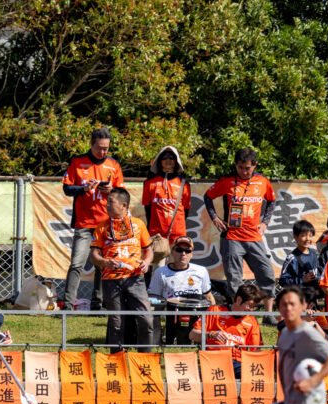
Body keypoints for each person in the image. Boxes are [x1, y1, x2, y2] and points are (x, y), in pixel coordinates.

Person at [60, 127, 124, 309]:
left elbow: (122, 194)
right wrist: (84, 189)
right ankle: (68, 305)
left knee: (102, 265)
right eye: (99, 148)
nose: (103, 152)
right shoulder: (77, 162)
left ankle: (98, 303)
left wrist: (112, 190)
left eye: (106, 148)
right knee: (76, 264)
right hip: (84, 224)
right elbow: (66, 188)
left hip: (106, 224)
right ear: (91, 144)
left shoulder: (113, 164)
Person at [204, 148, 278, 299]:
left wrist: (265, 222)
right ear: (235, 164)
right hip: (232, 238)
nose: (244, 172)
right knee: (234, 280)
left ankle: (269, 311)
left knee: (267, 275)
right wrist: (215, 218)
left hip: (254, 237)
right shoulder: (227, 180)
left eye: (248, 168)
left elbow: (272, 201)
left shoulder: (262, 181)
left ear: (255, 165)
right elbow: (208, 196)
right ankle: (238, 310)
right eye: (240, 167)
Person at [91, 188, 155, 350]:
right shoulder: (102, 227)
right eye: (107, 202)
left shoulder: (139, 224)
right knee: (117, 323)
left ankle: (145, 357)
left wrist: (146, 262)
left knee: (146, 319)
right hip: (111, 280)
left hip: (135, 279)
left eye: (111, 202)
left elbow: (149, 250)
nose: (106, 205)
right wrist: (104, 262)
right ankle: (116, 358)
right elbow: (93, 255)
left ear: (124, 205)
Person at [148, 236, 214, 346]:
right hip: (171, 315)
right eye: (179, 250)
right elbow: (153, 298)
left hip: (196, 315)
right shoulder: (161, 272)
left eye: (187, 251)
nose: (183, 254)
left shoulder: (201, 271)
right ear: (172, 252)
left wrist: (214, 316)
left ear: (191, 254)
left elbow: (208, 296)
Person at [190, 284, 268, 366]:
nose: (251, 310)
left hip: (238, 363)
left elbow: (255, 350)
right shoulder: (215, 311)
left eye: (254, 307)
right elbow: (192, 335)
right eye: (250, 306)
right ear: (239, 300)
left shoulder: (252, 321)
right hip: (214, 359)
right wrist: (210, 334)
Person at [141, 145, 190, 266]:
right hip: (157, 235)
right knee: (158, 269)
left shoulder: (184, 184)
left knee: (177, 268)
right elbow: (147, 208)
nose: (168, 160)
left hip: (178, 234)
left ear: (176, 161)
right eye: (165, 157)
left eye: (172, 157)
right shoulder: (149, 183)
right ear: (159, 161)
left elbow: (186, 210)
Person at [278, 219, 323, 305]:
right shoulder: (292, 258)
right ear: (295, 237)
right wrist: (302, 280)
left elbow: (317, 274)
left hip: (312, 300)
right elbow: (283, 281)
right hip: (297, 300)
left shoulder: (314, 254)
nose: (307, 239)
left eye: (310, 236)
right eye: (303, 235)